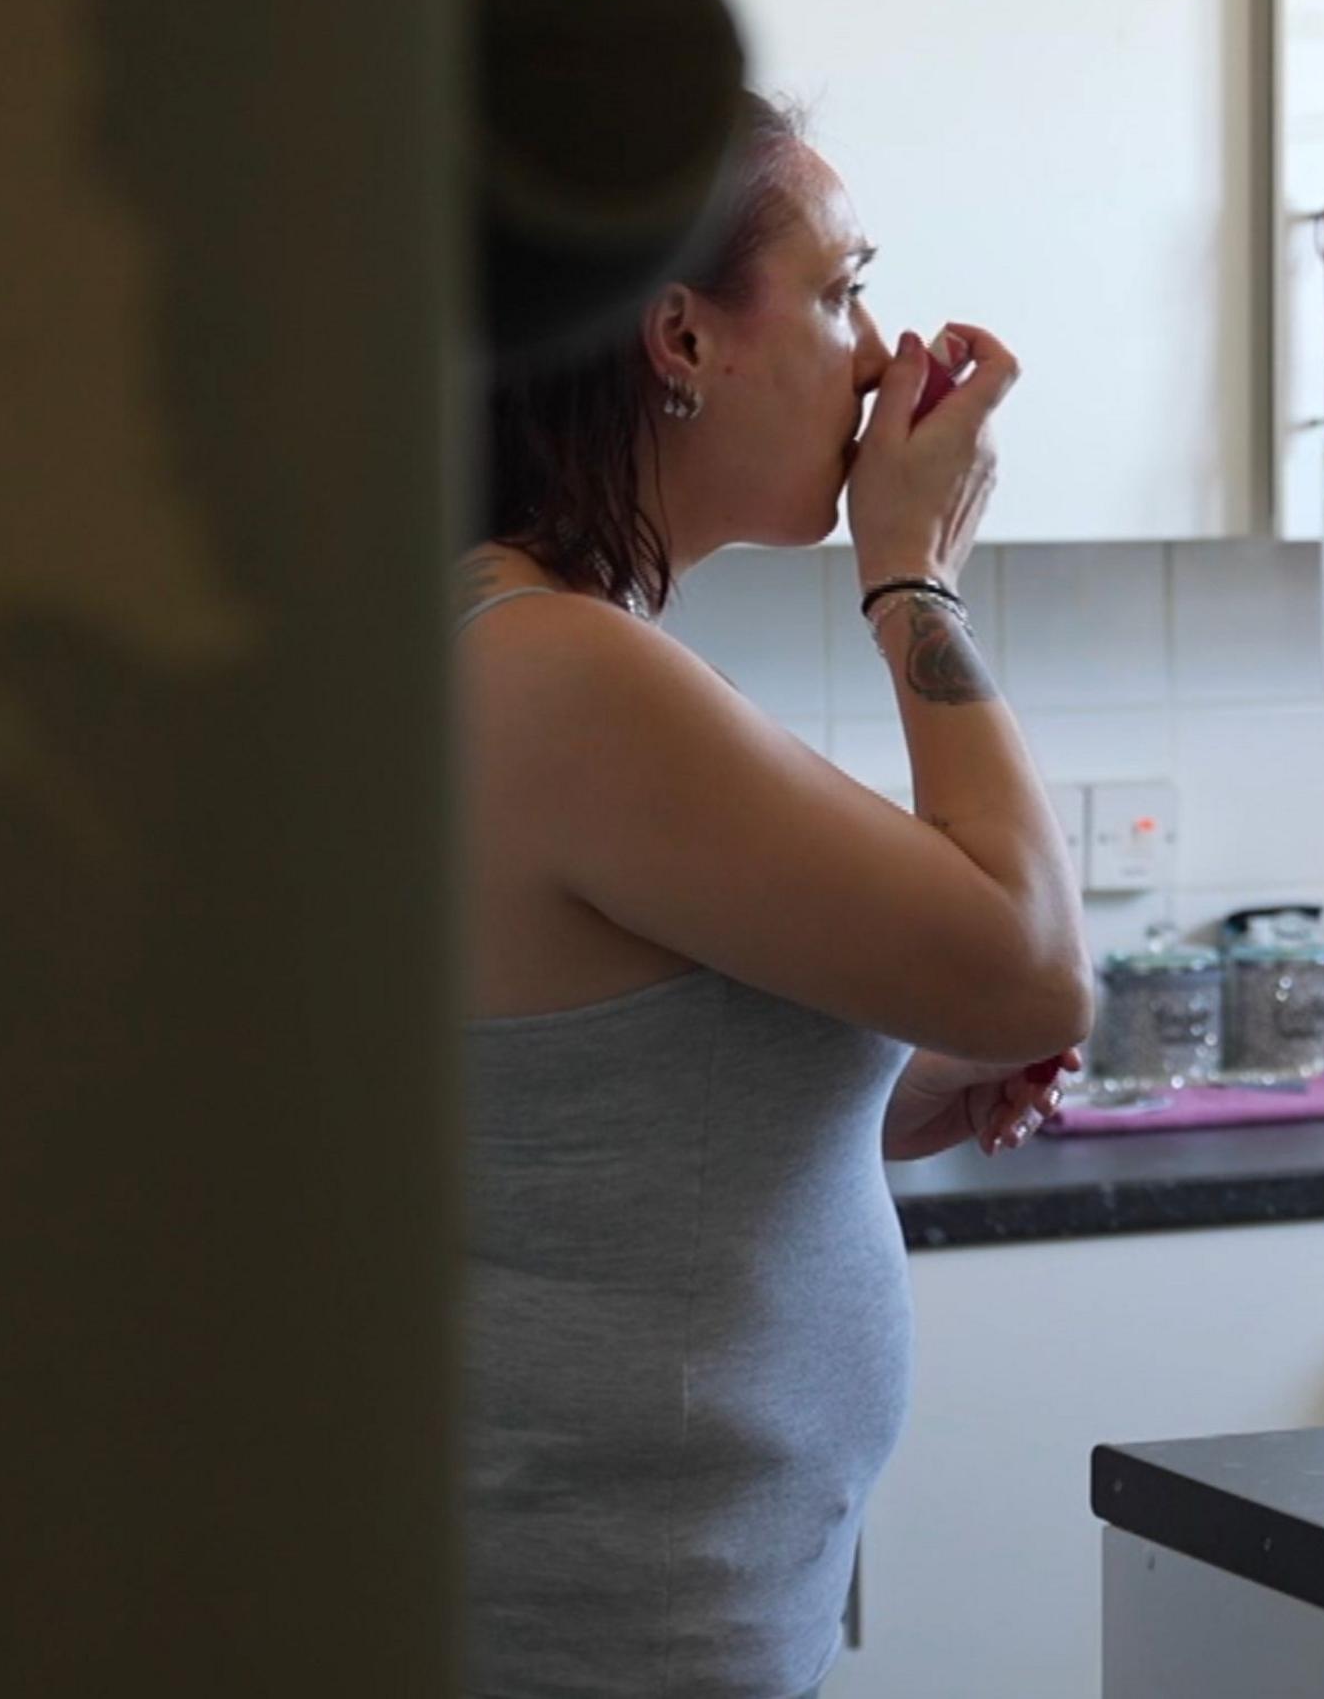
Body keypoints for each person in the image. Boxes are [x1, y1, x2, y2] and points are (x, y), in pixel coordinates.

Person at [453, 95, 1093, 1699]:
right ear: (680, 336)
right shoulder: (563, 677)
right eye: (836, 288)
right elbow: (1031, 965)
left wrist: (872, 1094)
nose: (880, 354)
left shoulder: (489, 631)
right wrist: (914, 574)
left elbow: (544, 1124)